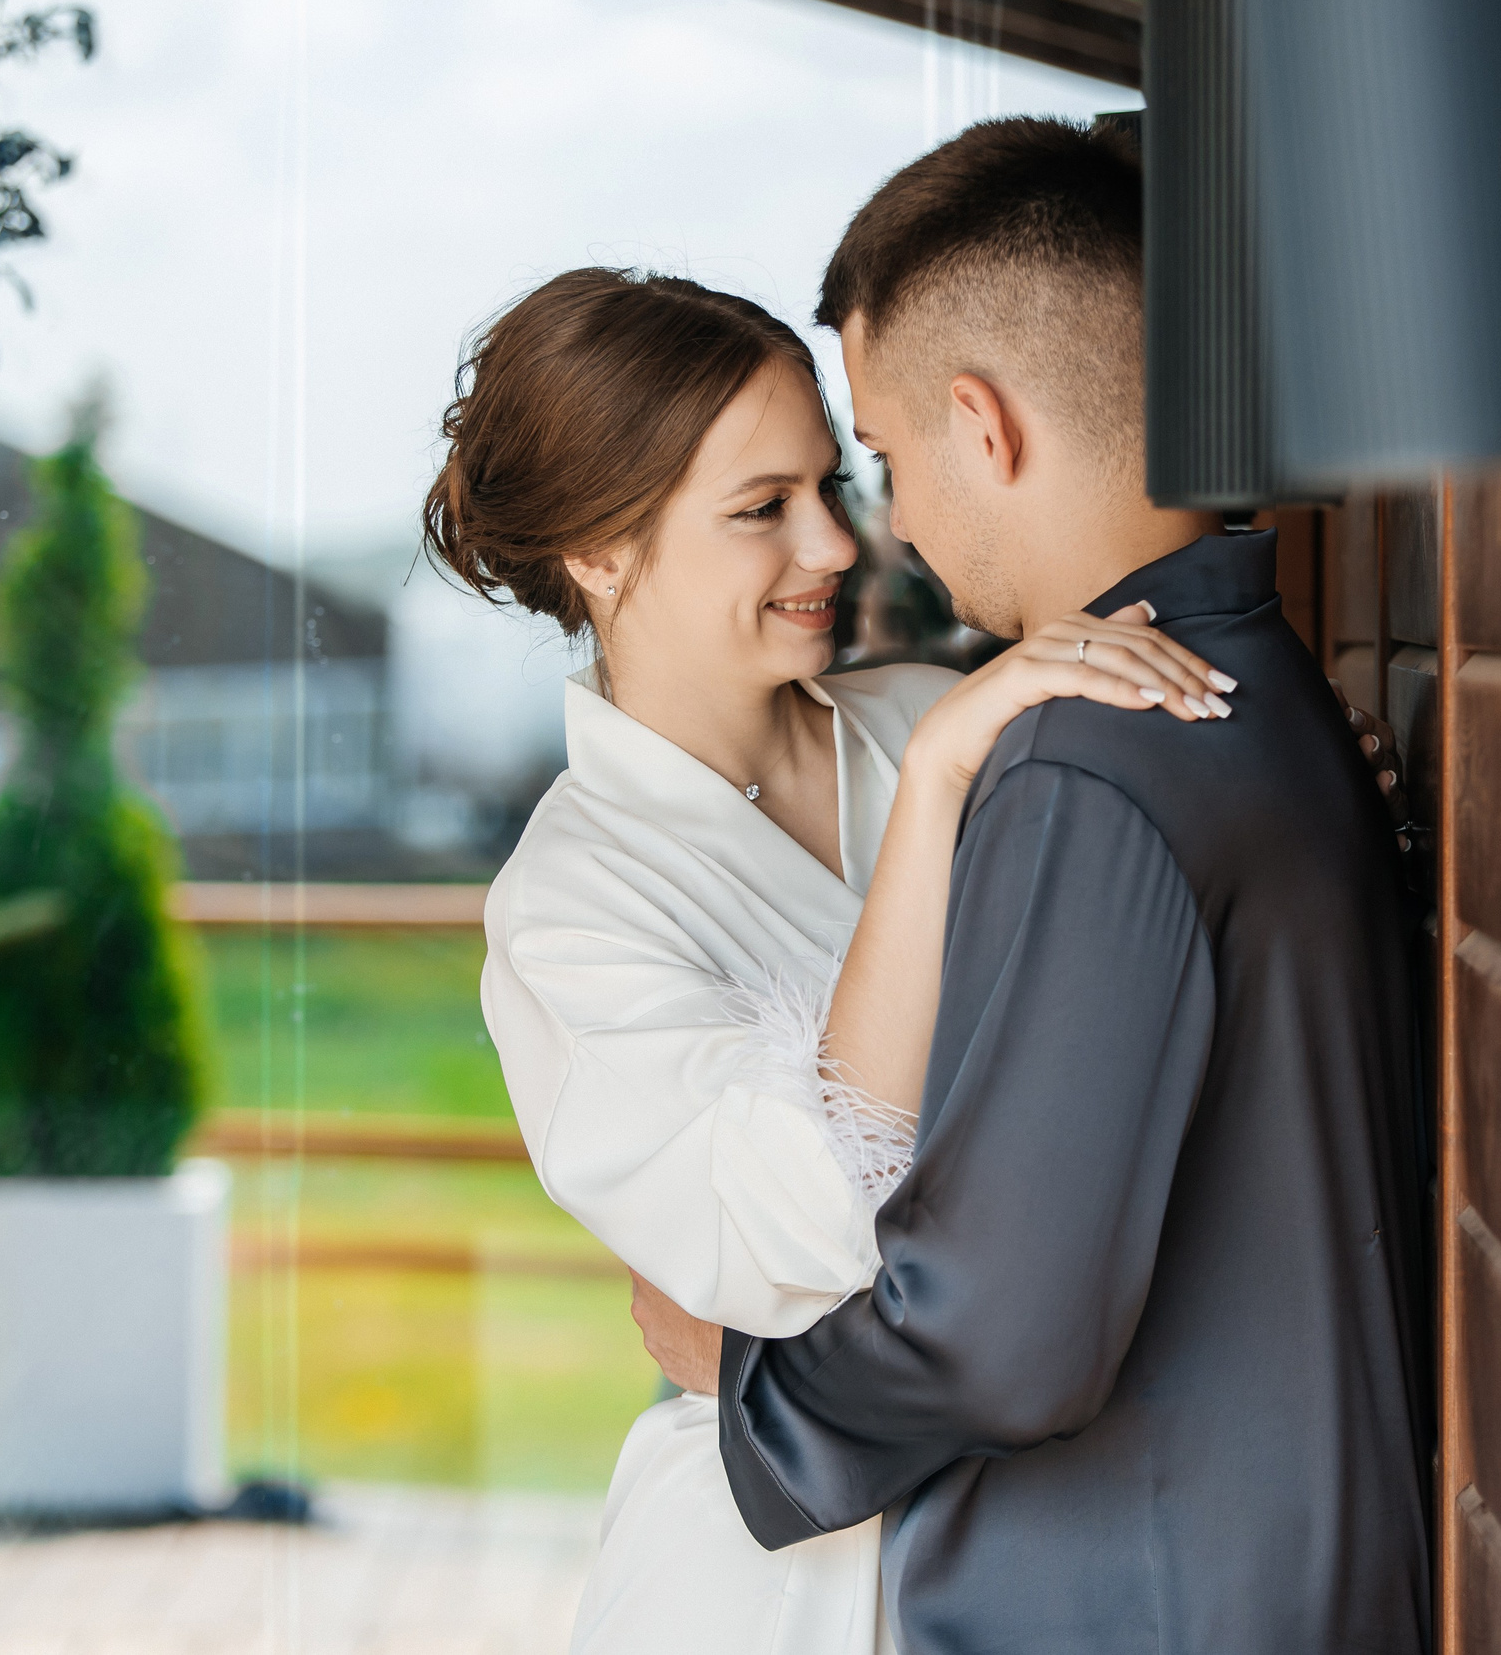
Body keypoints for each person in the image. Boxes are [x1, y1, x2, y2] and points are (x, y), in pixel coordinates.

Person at [629, 118, 1436, 1654]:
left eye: (881, 459)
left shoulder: (1090, 761)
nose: (892, 524)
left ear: (980, 423)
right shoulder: (1257, 684)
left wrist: (751, 1384)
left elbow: (1004, 1334)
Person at [425, 267, 1244, 1654]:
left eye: (833, 484)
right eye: (763, 511)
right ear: (599, 554)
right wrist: (929, 797)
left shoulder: (937, 707)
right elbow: (802, 1230)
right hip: (773, 1587)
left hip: (1069, 1532)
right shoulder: (569, 910)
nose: (837, 546)